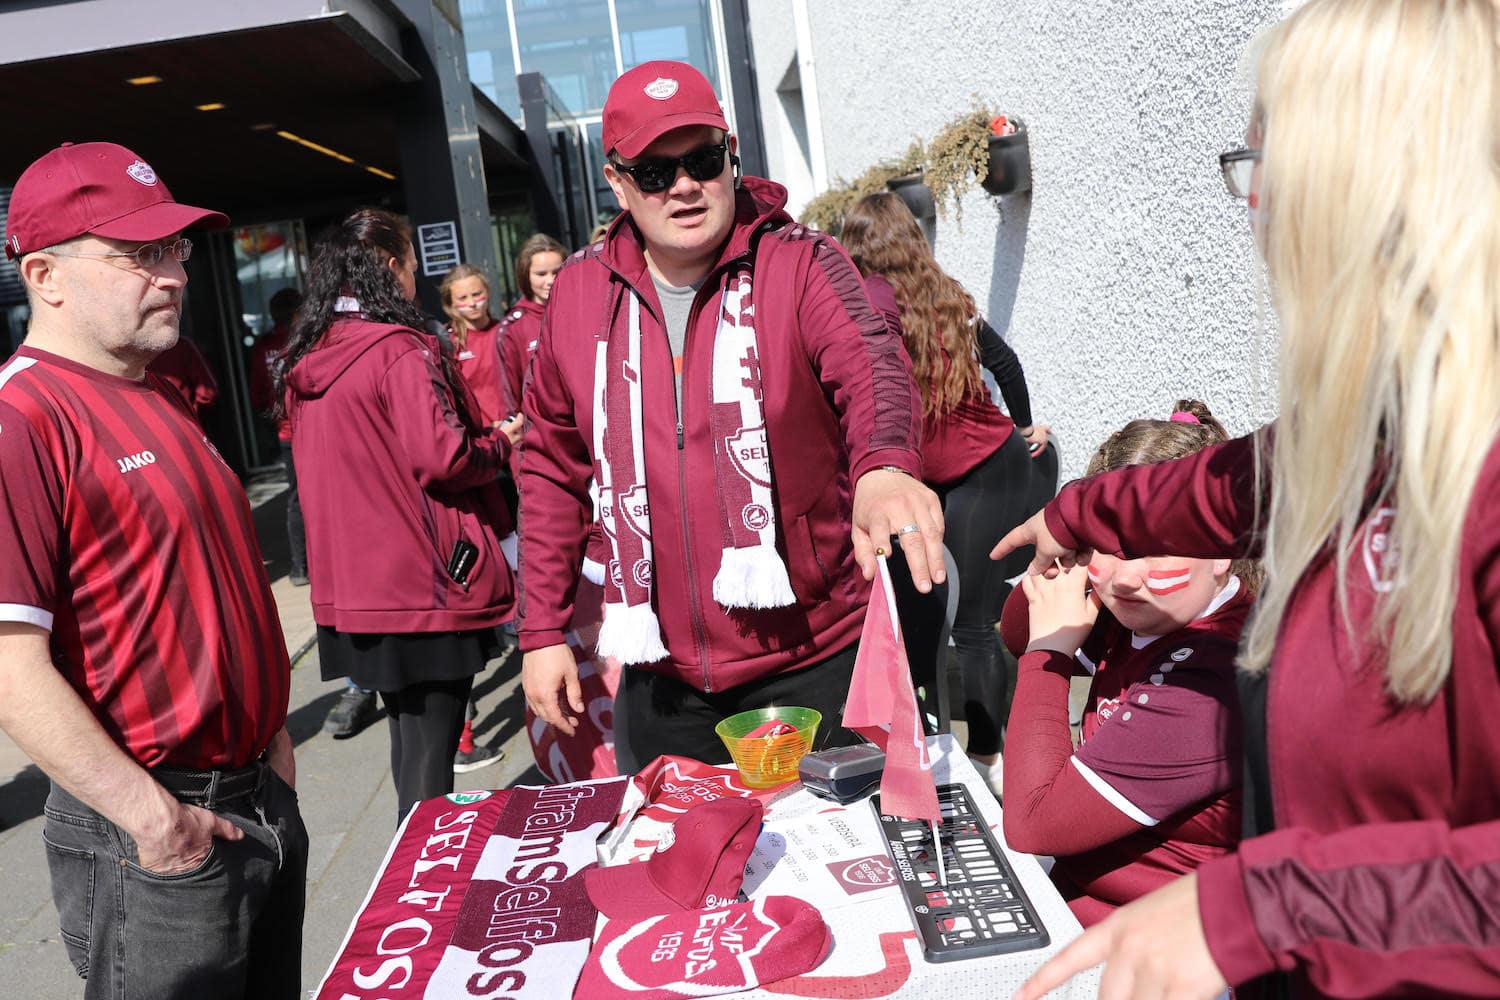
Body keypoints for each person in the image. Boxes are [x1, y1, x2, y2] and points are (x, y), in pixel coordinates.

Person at [999, 2, 1500, 996]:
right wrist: (1075, 514)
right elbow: (1215, 486)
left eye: (1269, 166)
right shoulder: (1375, 430)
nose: (1255, 210)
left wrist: (1262, 907)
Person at [519, 60, 944, 766]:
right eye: (655, 172)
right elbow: (548, 471)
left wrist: (885, 467)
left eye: (702, 160)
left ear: (732, 154)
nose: (684, 185)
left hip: (818, 660)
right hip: (660, 680)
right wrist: (539, 632)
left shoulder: (802, 262)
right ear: (618, 183)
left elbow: (872, 363)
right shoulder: (577, 293)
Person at [0, 141, 305, 998]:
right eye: (138, 255)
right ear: (45, 276)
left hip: (254, 797)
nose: (173, 274)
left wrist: (273, 740)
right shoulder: (23, 418)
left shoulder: (158, 391)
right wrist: (152, 818)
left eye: (173, 249)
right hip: (157, 830)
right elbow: (9, 664)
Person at [278, 208, 516, 818]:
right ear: (390, 267)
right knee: (431, 750)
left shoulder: (310, 355)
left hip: (359, 588)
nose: (416, 276)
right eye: (411, 264)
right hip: (424, 582)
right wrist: (500, 443)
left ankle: (411, 855)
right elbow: (446, 457)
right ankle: (424, 865)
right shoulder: (399, 349)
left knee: (411, 739)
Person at [1000, 401, 1254, 928]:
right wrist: (1066, 547)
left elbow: (1031, 825)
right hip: (1086, 909)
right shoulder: (1153, 610)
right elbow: (1017, 631)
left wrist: (1050, 653)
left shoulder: (1216, 678)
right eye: (1108, 545)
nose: (1125, 578)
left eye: (1156, 547)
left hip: (1162, 944)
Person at [841, 191, 1049, 792]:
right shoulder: (933, 300)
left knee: (974, 625)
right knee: (925, 617)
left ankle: (988, 759)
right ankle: (932, 741)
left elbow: (1004, 365)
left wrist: (1024, 427)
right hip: (935, 483)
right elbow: (1007, 365)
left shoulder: (929, 305)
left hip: (987, 470)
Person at [497, 233, 566, 424]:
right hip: (541, 428)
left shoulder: (579, 310)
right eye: (541, 274)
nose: (551, 280)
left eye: (557, 271)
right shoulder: (512, 328)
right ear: (525, 275)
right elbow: (509, 397)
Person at [439, 263, 506, 427]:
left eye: (476, 294)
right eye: (462, 298)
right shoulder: (448, 342)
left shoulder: (506, 331)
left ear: (487, 292)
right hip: (479, 433)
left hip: (515, 425)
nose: (472, 303)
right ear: (451, 303)